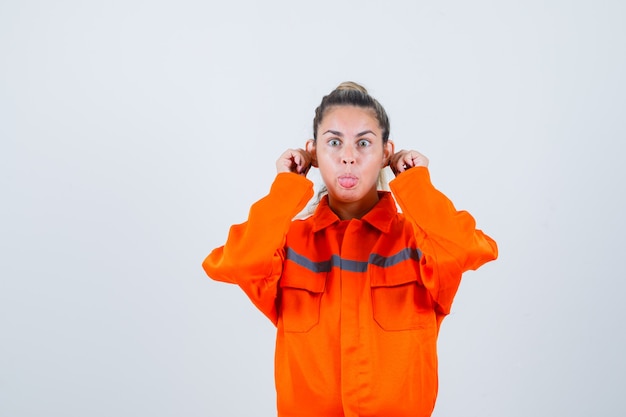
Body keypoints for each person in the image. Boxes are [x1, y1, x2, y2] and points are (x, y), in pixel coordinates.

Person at [202, 82, 498, 417]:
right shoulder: (288, 243)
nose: (348, 156)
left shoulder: (417, 242)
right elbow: (238, 264)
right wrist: (286, 187)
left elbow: (468, 250)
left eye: (364, 143)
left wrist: (416, 183)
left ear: (387, 153)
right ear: (313, 152)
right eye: (334, 142)